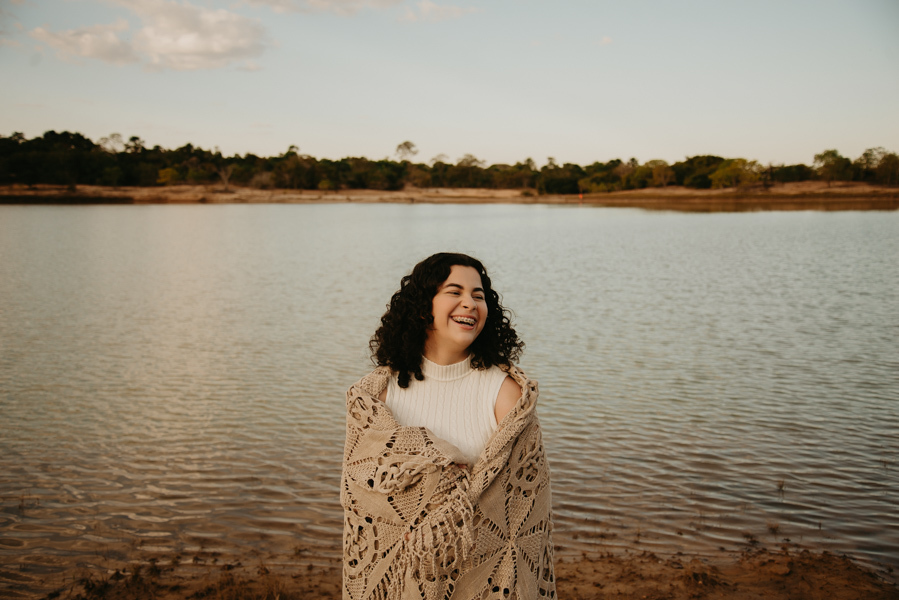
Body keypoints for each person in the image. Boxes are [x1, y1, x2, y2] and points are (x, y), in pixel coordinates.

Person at [340, 252, 555, 600]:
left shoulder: (506, 394)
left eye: (479, 296)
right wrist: (434, 466)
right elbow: (361, 496)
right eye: (454, 292)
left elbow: (524, 509)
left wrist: (447, 516)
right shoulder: (377, 394)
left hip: (483, 583)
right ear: (424, 306)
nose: (469, 304)